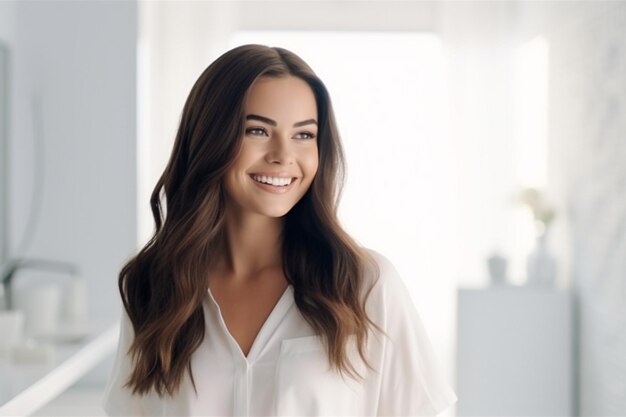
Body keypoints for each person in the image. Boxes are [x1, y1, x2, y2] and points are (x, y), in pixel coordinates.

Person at [102, 44, 457, 416]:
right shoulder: (152, 284)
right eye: (257, 130)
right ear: (210, 138)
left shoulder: (366, 284)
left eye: (303, 135)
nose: (283, 155)